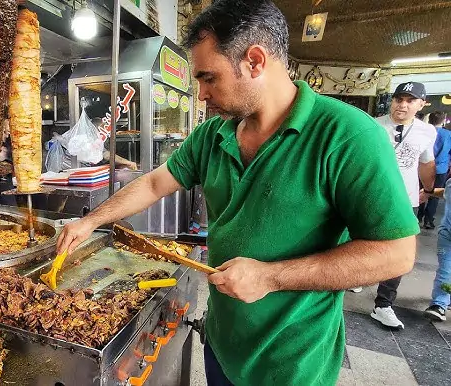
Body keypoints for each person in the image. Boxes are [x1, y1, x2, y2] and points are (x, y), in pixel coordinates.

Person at [56, 1, 417, 384]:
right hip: (223, 345)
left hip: (291, 363)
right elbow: (153, 182)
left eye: (209, 78)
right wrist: (90, 220)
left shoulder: (348, 135)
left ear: (255, 61)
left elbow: (395, 253)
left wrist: (271, 277)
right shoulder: (213, 135)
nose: (201, 94)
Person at [368, 82, 436, 329]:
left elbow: (427, 164)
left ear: (421, 104)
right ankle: (355, 277)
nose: (402, 105)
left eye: (410, 100)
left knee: (398, 252)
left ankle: (383, 305)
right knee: (356, 242)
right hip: (369, 197)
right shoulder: (373, 125)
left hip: (405, 200)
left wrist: (427, 190)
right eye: (399, 99)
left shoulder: (427, 132)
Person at [423, 181, 451, 321]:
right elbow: (445, 192)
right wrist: (429, 192)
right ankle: (439, 304)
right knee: (445, 271)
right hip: (447, 236)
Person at [418, 112, 450, 228]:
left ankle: (417, 216)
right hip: (440, 168)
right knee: (435, 194)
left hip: (423, 166)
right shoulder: (448, 135)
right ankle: (428, 219)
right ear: (442, 121)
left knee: (421, 191)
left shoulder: (423, 132)